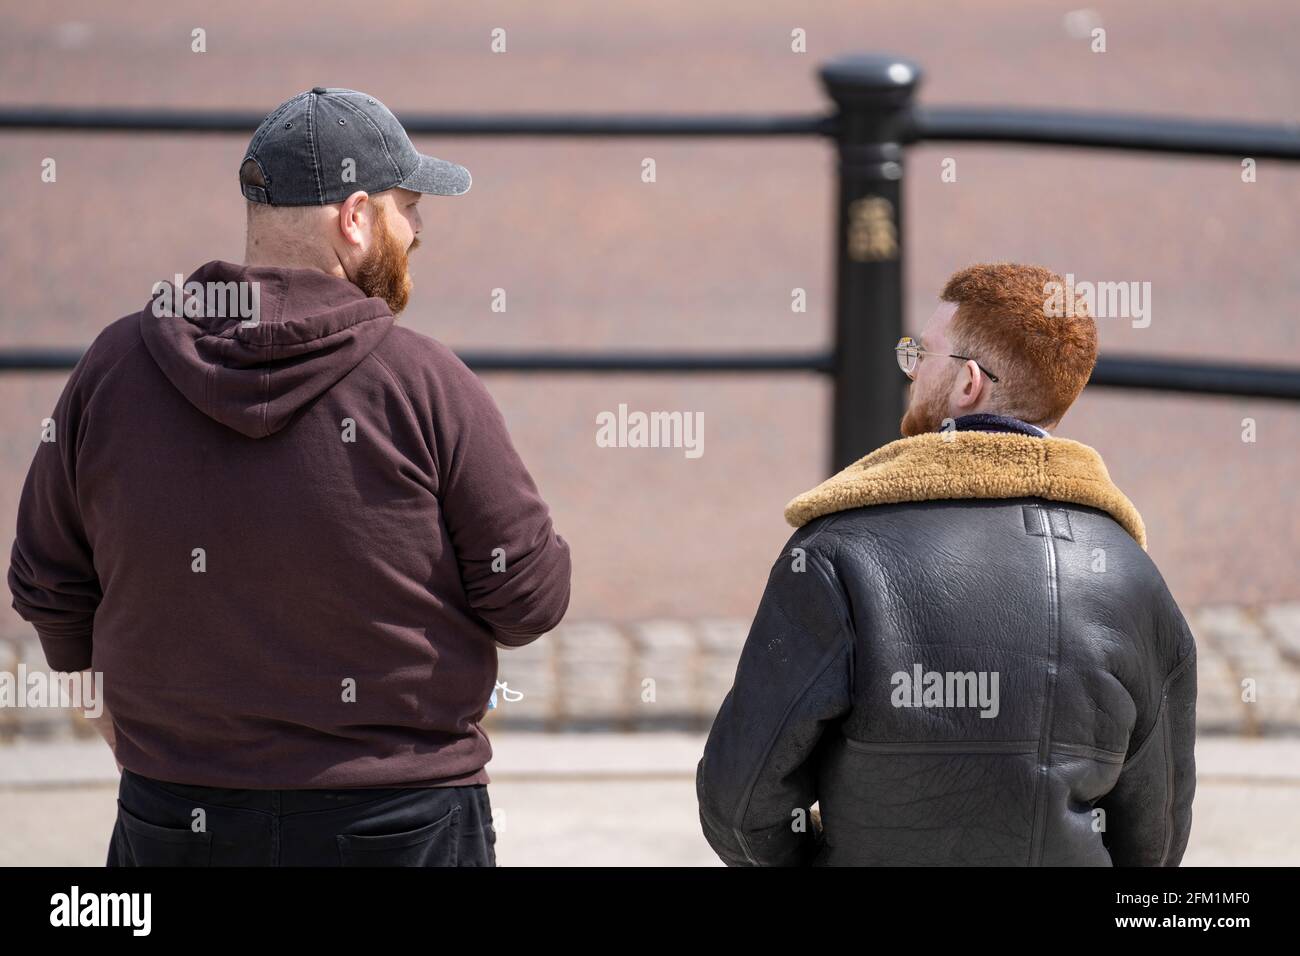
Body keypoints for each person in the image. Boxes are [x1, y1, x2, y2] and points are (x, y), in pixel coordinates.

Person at [8, 87, 572, 866]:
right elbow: (530, 598)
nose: (418, 233)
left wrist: (108, 711)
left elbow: (46, 578)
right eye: (407, 208)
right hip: (400, 817)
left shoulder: (115, 366)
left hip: (179, 811)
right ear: (354, 217)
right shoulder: (425, 382)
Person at [696, 262, 1197, 866]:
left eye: (921, 354)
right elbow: (1156, 841)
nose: (909, 371)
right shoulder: (1131, 577)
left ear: (967, 385)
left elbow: (739, 803)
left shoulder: (834, 553)